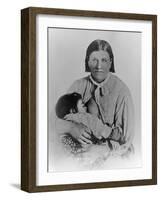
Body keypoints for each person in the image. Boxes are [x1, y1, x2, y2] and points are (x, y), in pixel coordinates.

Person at [55, 39, 135, 156]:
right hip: (81, 150)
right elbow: (55, 120)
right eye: (94, 60)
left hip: (114, 153)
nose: (98, 66)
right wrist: (71, 127)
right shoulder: (78, 85)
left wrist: (103, 149)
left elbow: (126, 140)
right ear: (88, 61)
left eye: (104, 60)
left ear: (110, 62)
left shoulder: (122, 92)